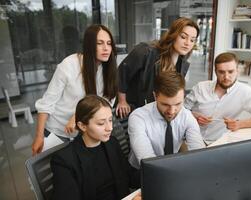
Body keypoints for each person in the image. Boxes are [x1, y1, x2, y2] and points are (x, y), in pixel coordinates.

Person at [32, 24, 118, 155]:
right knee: (55, 171)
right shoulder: (69, 65)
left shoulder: (108, 69)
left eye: (109, 43)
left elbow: (105, 100)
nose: (106, 48)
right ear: (89, 45)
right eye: (99, 43)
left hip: (84, 133)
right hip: (57, 131)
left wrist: (77, 116)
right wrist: (39, 137)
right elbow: (46, 103)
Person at [51, 95, 141, 200]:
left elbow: (129, 176)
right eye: (101, 123)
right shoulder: (64, 160)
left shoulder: (112, 143)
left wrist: (154, 173)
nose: (110, 128)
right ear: (82, 126)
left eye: (110, 120)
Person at [116, 17, 199, 118]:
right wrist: (122, 101)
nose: (187, 43)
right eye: (183, 37)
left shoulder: (182, 64)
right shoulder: (146, 51)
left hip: (159, 113)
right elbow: (122, 73)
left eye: (192, 40)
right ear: (173, 35)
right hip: (136, 109)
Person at [184, 52, 251, 145]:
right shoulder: (201, 87)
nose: (226, 77)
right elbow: (181, 110)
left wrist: (239, 124)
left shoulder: (245, 91)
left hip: (218, 142)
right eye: (221, 72)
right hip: (191, 137)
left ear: (237, 70)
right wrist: (194, 116)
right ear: (215, 71)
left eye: (231, 71)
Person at [128, 71, 206, 169]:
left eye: (178, 104)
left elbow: (199, 153)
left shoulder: (187, 116)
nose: (172, 111)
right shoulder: (138, 117)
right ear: (155, 96)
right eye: (165, 105)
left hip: (172, 167)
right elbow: (147, 162)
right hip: (141, 172)